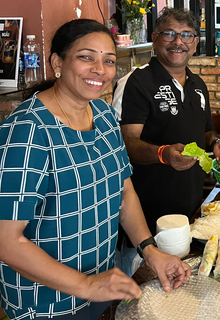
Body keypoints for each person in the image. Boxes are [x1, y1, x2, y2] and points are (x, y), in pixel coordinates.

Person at [0, 19, 190, 320]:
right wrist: (85, 284)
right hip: (46, 305)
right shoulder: (27, 131)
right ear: (57, 63)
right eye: (86, 57)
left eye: (109, 60)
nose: (100, 70)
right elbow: (6, 241)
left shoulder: (101, 115)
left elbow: (124, 190)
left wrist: (149, 250)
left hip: (102, 286)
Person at [112, 8, 220, 241]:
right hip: (145, 216)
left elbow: (206, 131)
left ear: (195, 42)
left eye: (186, 34)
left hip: (190, 208)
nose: (178, 42)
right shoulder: (136, 82)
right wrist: (164, 154)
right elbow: (124, 144)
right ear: (155, 38)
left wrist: (217, 143)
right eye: (169, 33)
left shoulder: (198, 84)